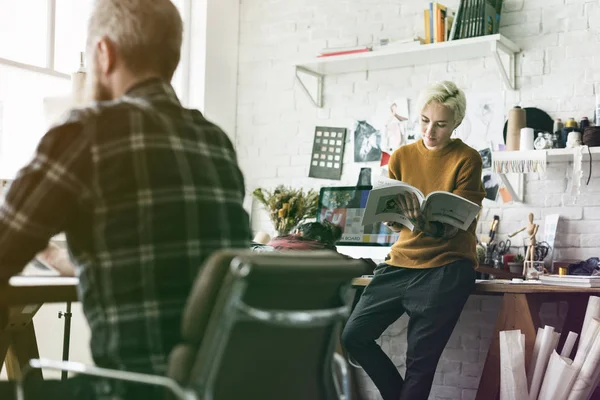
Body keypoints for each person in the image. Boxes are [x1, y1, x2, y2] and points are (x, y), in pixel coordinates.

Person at [0, 1, 250, 399]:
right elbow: (176, 266)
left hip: (133, 389)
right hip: (220, 386)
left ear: (104, 52)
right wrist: (72, 261)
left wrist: (86, 104)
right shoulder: (214, 141)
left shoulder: (89, 130)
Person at [341, 81, 485, 400]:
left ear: (456, 124)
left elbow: (458, 224)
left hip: (446, 268)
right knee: (353, 336)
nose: (429, 131)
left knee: (419, 364)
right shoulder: (402, 155)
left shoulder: (468, 159)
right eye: (424, 120)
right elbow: (394, 223)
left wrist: (428, 223)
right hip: (399, 264)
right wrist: (395, 218)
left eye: (440, 124)